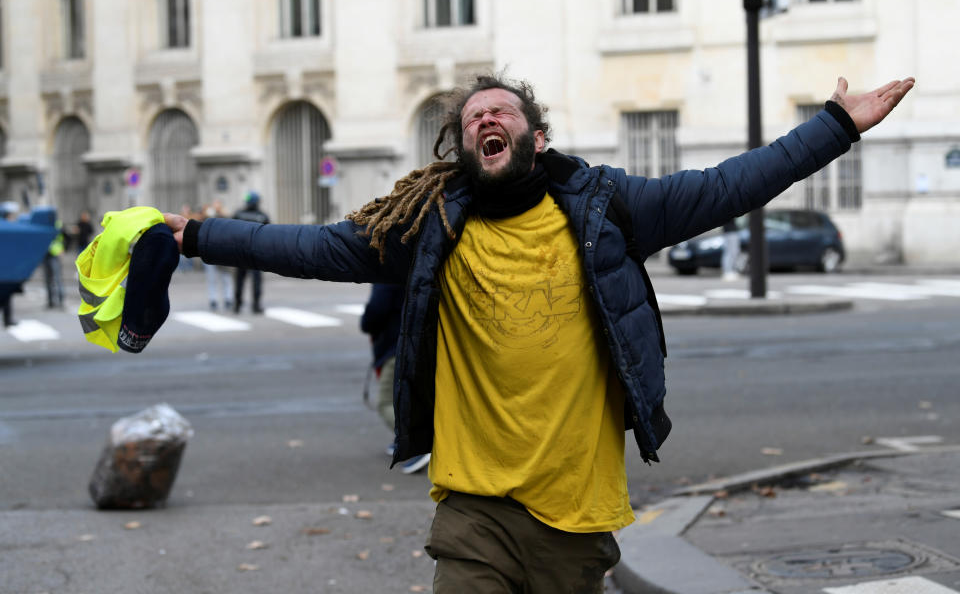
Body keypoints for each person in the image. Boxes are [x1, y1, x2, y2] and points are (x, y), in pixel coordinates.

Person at [163, 73, 914, 592]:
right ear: (460, 146)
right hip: (473, 507)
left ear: (537, 136)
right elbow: (310, 247)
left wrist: (835, 127)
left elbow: (728, 186)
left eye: (501, 112)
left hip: (575, 513)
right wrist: (198, 236)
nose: (485, 119)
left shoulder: (607, 209)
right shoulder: (430, 226)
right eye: (471, 119)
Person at [360, 283, 430, 474]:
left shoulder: (387, 270)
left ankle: (419, 443)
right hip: (417, 342)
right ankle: (406, 440)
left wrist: (366, 322)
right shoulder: (415, 262)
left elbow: (375, 311)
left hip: (395, 346)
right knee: (408, 398)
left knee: (385, 403)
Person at [232, 192, 269, 314]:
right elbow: (269, 234)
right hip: (256, 254)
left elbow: (230, 231)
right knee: (256, 281)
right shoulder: (262, 216)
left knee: (239, 280)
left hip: (240, 252)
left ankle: (237, 305)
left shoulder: (238, 214)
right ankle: (256, 305)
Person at [201, 200, 234, 311]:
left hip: (223, 253)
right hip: (209, 252)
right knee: (212, 278)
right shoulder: (207, 218)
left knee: (226, 277)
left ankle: (228, 298)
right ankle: (213, 299)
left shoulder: (225, 218)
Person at [44, 218, 66, 309]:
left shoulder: (57, 224)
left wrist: (62, 249)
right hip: (46, 254)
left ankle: (60, 300)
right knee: (48, 279)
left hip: (55, 254)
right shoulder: (44, 224)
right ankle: (50, 302)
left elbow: (62, 238)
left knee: (57, 278)